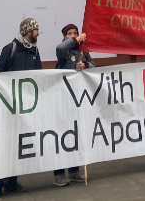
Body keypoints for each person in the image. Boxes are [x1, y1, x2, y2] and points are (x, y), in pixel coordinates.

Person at [0, 18, 42, 196]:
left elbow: (39, 75)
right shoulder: (10, 49)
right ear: (28, 32)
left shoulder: (34, 51)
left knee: (17, 146)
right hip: (8, 107)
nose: (38, 33)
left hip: (24, 107)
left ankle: (12, 183)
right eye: (36, 30)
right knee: (3, 145)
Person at [52, 24, 92, 185]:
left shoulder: (84, 52)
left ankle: (74, 170)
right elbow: (60, 49)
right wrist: (75, 40)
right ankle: (59, 173)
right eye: (69, 33)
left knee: (76, 135)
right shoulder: (64, 52)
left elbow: (94, 67)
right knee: (61, 135)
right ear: (64, 36)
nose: (73, 35)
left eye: (75, 33)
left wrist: (86, 65)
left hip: (79, 99)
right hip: (63, 99)